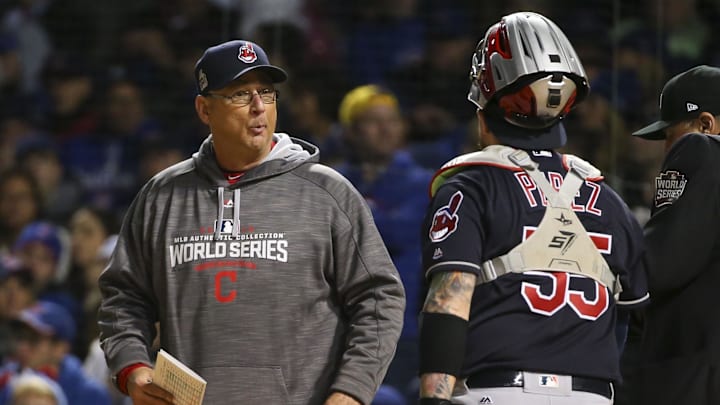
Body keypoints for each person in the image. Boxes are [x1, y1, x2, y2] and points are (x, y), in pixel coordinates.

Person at [97, 39, 405, 405]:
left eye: (267, 93)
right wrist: (134, 370)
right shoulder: (161, 197)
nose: (259, 107)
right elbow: (123, 298)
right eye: (241, 94)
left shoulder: (328, 193)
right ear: (204, 109)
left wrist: (350, 392)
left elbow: (379, 298)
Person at [417, 12, 649, 405]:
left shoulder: (470, 187)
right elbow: (638, 323)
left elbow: (449, 304)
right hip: (593, 395)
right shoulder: (609, 200)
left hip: (499, 389)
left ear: (482, 112)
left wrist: (433, 400)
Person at [617, 65, 720, 404]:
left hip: (696, 373)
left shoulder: (700, 149)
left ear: (705, 124)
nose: (667, 150)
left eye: (669, 136)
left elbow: (660, 265)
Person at [335, 84, 432, 401]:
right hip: (343, 323)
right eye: (372, 121)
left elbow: (400, 231)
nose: (385, 129)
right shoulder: (335, 180)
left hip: (401, 326)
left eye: (392, 120)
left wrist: (360, 214)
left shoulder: (423, 182)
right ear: (351, 131)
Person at [0, 300, 111, 405]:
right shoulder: (5, 383)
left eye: (33, 339)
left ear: (60, 348)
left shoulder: (90, 395)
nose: (23, 346)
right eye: (20, 337)